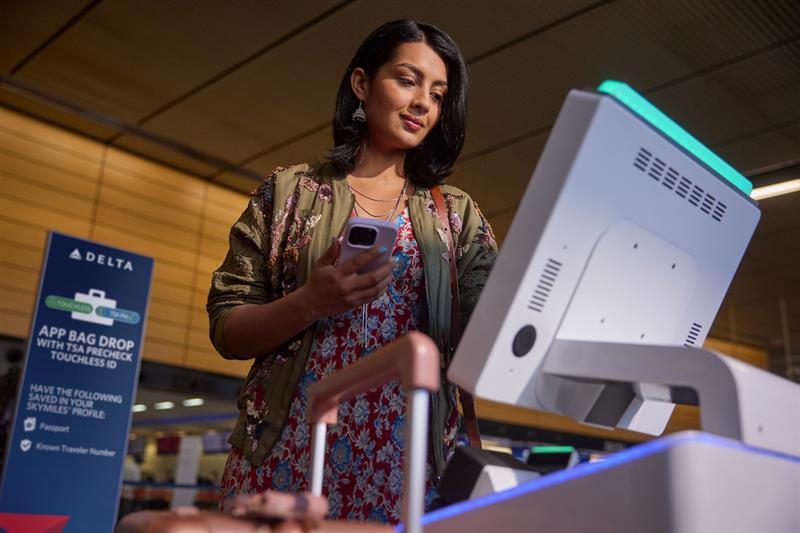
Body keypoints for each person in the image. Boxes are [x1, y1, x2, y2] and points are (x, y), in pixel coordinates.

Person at [207, 19, 497, 523]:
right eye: (407, 80)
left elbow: (488, 334)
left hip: (405, 467)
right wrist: (310, 301)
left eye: (438, 92)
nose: (423, 103)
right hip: (286, 452)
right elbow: (227, 328)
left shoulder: (456, 215)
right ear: (362, 84)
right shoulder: (290, 192)